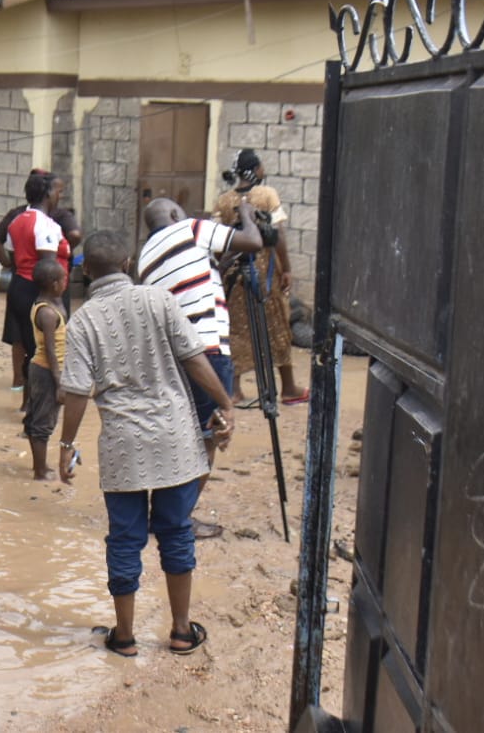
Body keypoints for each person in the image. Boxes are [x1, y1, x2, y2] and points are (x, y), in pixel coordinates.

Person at [56, 230, 236, 658]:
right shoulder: (160, 300)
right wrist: (226, 403)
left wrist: (65, 444)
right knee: (176, 532)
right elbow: (195, 358)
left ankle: (124, 636)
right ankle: (181, 631)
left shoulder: (82, 321)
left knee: (124, 538)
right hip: (175, 437)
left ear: (86, 271)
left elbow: (77, 391)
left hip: (123, 445)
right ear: (128, 263)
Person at [139, 196, 263, 537]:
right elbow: (254, 241)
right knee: (208, 437)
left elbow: (197, 280)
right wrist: (246, 214)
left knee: (179, 438)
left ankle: (164, 513)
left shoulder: (147, 256)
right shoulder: (191, 229)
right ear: (175, 214)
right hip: (208, 351)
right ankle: (178, 520)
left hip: (171, 360)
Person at [214, 150, 310, 404]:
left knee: (235, 328)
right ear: (256, 170)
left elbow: (218, 242)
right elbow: (278, 236)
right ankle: (288, 388)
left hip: (233, 277)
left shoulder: (224, 201)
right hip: (265, 274)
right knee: (278, 324)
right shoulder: (267, 195)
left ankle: (234, 390)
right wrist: (286, 268)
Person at [0, 171, 64, 391]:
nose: (59, 197)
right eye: (57, 192)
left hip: (18, 285)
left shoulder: (17, 221)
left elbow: (12, 254)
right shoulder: (45, 225)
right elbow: (48, 268)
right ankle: (38, 396)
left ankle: (25, 398)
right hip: (36, 290)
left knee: (25, 343)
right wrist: (56, 302)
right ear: (47, 193)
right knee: (40, 348)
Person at [23, 257, 68, 480]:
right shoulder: (48, 313)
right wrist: (59, 384)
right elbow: (50, 351)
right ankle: (40, 471)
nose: (66, 283)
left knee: (36, 419)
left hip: (42, 369)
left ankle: (39, 466)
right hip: (47, 371)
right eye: (63, 279)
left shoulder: (48, 304)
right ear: (54, 284)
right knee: (42, 423)